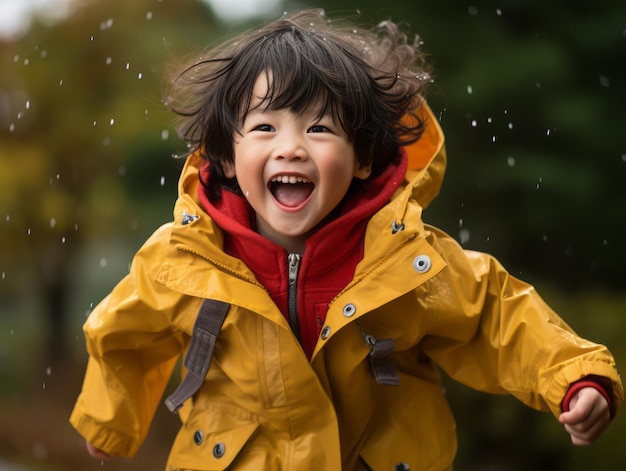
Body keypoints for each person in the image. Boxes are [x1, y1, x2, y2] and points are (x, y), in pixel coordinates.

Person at [70, 9, 623, 470]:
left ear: (361, 159)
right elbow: (124, 331)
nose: (290, 147)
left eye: (319, 128)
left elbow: (496, 316)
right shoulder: (182, 259)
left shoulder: (407, 259)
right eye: (265, 127)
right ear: (226, 157)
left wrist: (574, 379)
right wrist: (109, 418)